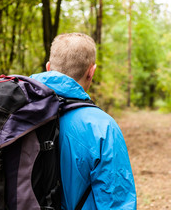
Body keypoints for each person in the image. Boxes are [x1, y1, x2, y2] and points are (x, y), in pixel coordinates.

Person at [30, 33, 137, 209]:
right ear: (91, 72)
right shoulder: (103, 127)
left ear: (48, 68)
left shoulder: (15, 113)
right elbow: (117, 202)